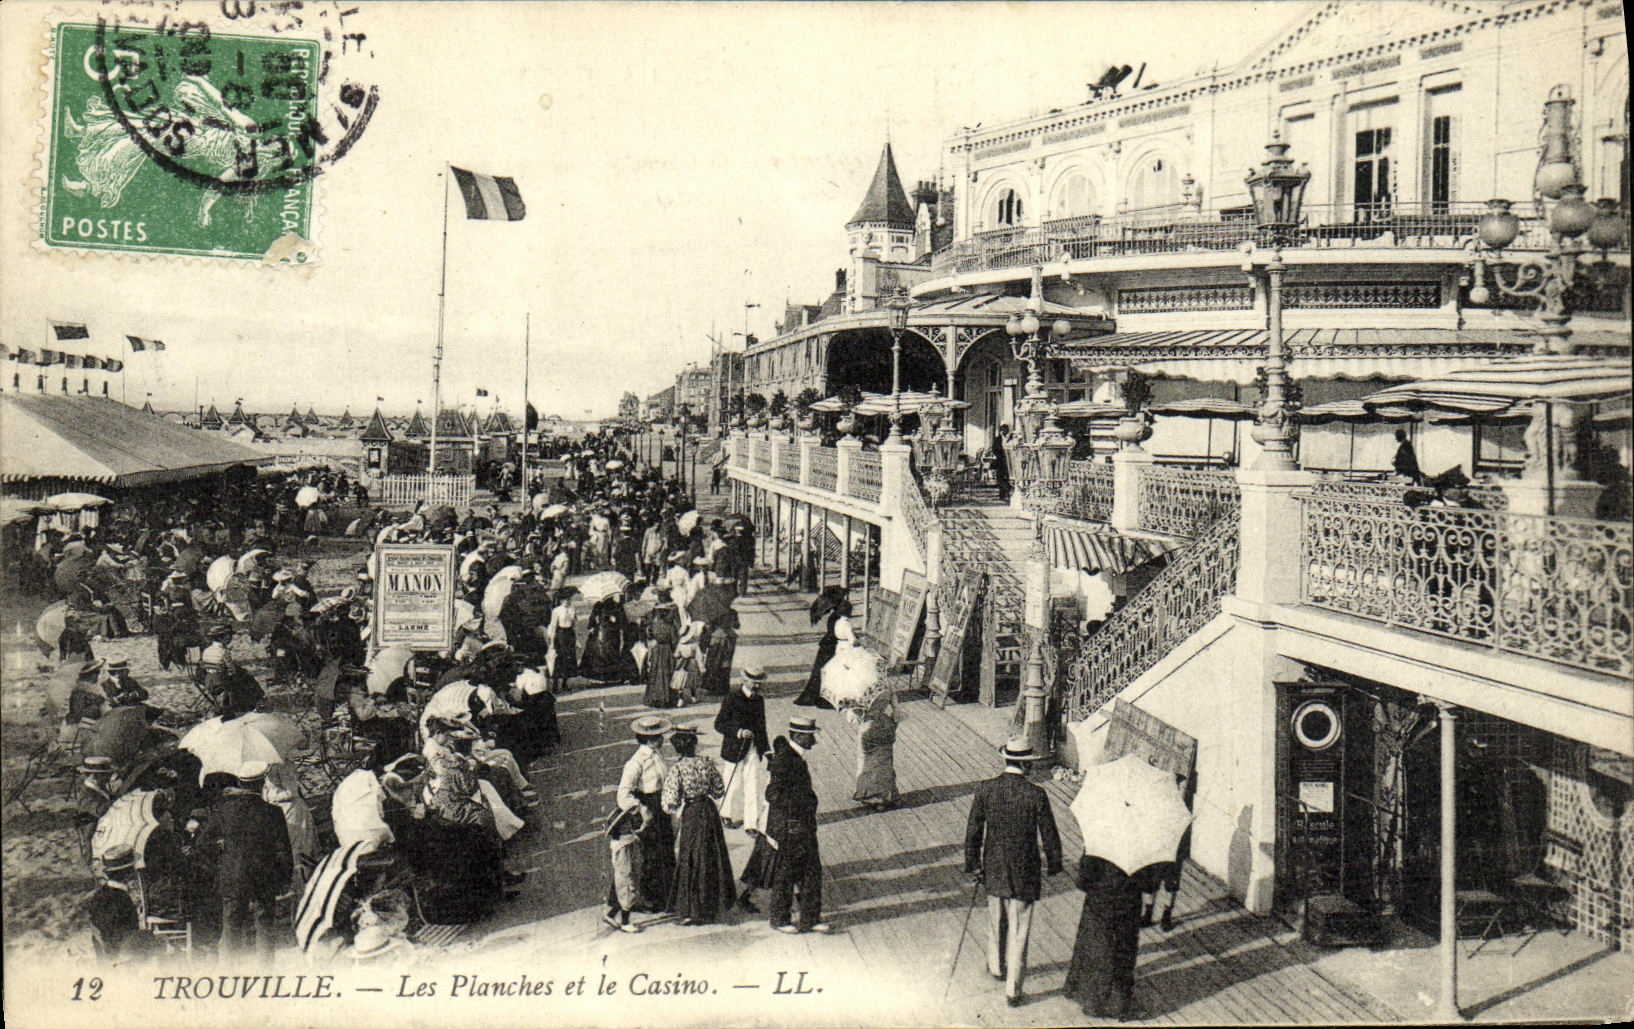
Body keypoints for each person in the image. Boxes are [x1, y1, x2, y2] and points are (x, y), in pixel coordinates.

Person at [964, 738, 1064, 1008]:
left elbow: (973, 831)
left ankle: (996, 967)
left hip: (994, 868)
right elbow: (1049, 834)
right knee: (1020, 930)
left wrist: (973, 865)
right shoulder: (1036, 795)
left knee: (996, 920)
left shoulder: (986, 789)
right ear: (1025, 765)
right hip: (1025, 871)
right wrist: (1055, 863)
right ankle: (1013, 990)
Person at [201, 762, 292, 957]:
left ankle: (231, 973)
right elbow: (283, 850)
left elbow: (202, 844)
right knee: (265, 924)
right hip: (264, 876)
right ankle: (266, 971)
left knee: (231, 925)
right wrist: (285, 878)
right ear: (262, 784)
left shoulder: (225, 811)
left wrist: (221, 854)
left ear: (240, 784)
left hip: (233, 874)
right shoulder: (273, 812)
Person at [661, 726, 735, 925]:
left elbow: (669, 803)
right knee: (712, 854)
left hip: (692, 813)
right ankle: (713, 905)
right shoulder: (706, 763)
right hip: (708, 810)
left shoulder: (676, 769)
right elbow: (719, 790)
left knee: (691, 857)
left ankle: (692, 910)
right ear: (694, 744)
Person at [765, 716, 829, 934]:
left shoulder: (796, 756)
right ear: (799, 736)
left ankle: (811, 918)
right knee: (786, 874)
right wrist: (796, 810)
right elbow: (772, 793)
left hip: (803, 826)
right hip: (791, 827)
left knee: (811, 872)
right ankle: (780, 919)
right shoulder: (785, 759)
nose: (814, 740)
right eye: (811, 736)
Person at [1063, 856, 1144, 1020]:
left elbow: (1084, 874)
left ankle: (1092, 1000)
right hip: (1129, 900)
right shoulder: (1141, 838)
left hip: (1100, 898)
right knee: (1124, 950)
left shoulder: (1100, 834)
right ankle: (1120, 1004)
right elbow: (1149, 881)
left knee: (1096, 947)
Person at [617, 716, 675, 913]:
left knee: (666, 850)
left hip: (661, 806)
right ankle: (651, 898)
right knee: (651, 855)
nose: (662, 739)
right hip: (648, 808)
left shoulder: (657, 754)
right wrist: (641, 809)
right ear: (648, 739)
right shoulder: (635, 763)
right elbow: (623, 794)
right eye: (658, 736)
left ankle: (667, 896)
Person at [714, 665, 770, 831]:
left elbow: (762, 727)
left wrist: (766, 749)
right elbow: (719, 724)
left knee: (752, 784)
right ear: (744, 680)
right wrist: (738, 732)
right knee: (732, 783)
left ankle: (751, 824)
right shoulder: (732, 698)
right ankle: (725, 814)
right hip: (734, 749)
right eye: (754, 682)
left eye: (759, 683)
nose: (758, 686)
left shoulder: (759, 700)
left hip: (752, 748)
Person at [794, 597, 848, 709]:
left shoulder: (832, 617)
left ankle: (814, 696)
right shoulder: (839, 618)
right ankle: (824, 699)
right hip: (831, 647)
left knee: (820, 672)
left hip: (825, 645)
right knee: (829, 673)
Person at [851, 690, 900, 810]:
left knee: (865, 760)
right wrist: (892, 725)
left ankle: (867, 794)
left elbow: (854, 718)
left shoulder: (860, 689)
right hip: (885, 725)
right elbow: (897, 715)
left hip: (868, 727)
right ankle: (884, 797)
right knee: (885, 760)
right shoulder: (887, 688)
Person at [642, 592, 679, 709]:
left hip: (657, 650)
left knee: (655, 673)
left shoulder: (655, 624)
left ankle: (655, 697)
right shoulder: (671, 626)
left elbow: (650, 635)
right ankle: (667, 698)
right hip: (668, 650)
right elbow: (674, 639)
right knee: (667, 673)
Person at [546, 588, 579, 693]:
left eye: (569, 599)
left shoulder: (572, 609)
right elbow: (553, 625)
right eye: (565, 600)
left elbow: (574, 625)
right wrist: (551, 641)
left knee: (569, 658)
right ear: (561, 601)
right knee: (559, 659)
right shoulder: (557, 610)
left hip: (570, 634)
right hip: (561, 635)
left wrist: (577, 639)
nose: (567, 601)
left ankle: (565, 682)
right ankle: (555, 684)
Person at [992, 424, 1013, 499]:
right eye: (1002, 430)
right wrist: (999, 454)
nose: (1004, 431)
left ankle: (1006, 492)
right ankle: (1003, 492)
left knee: (1007, 476)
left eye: (1005, 430)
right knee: (999, 477)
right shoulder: (998, 439)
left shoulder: (1011, 438)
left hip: (1009, 461)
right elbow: (994, 448)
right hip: (1000, 460)